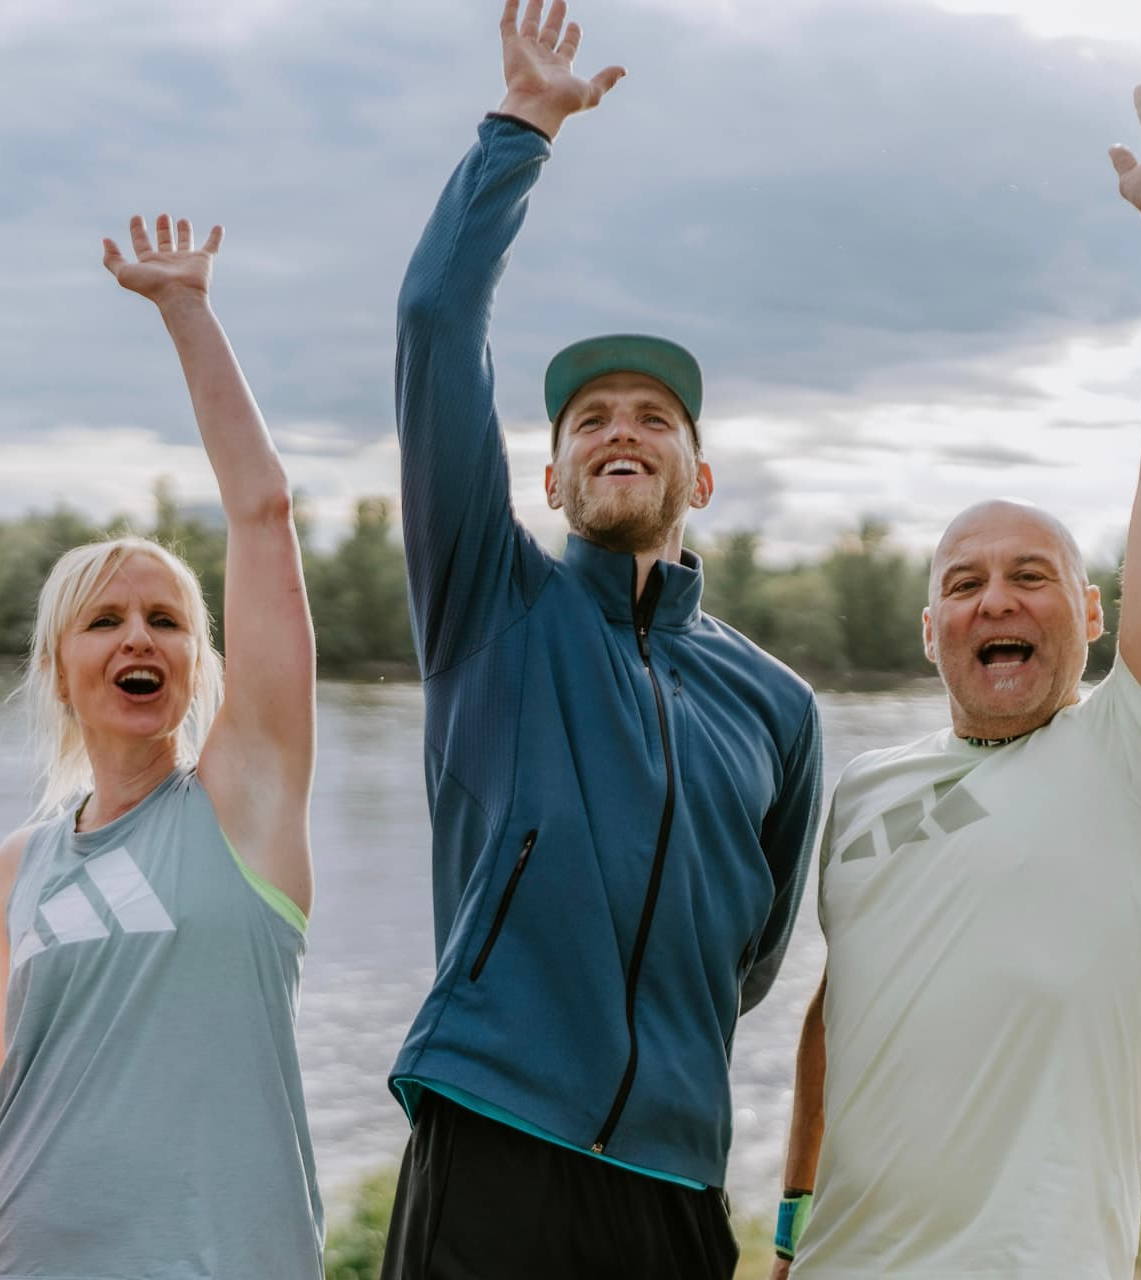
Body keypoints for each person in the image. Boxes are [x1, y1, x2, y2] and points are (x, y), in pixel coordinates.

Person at [771, 62, 1141, 1280]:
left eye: (1030, 573)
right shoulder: (864, 791)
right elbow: (838, 1011)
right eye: (963, 581)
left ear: (1090, 612)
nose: (996, 597)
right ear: (931, 632)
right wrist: (785, 1221)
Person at [383, 3, 825, 1275]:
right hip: (495, 1136)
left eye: (651, 415)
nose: (619, 429)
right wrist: (519, 128)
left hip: (677, 1182)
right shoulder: (489, 606)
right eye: (588, 419)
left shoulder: (778, 704)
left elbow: (750, 953)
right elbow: (431, 327)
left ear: (701, 474)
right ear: (553, 474)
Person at [0, 214, 322, 1279]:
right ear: (57, 665)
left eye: (165, 619)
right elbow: (8, 1078)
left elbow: (263, 515)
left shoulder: (242, 808)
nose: (137, 636)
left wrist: (187, 312)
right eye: (105, 619)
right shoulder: (19, 864)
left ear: (198, 663)